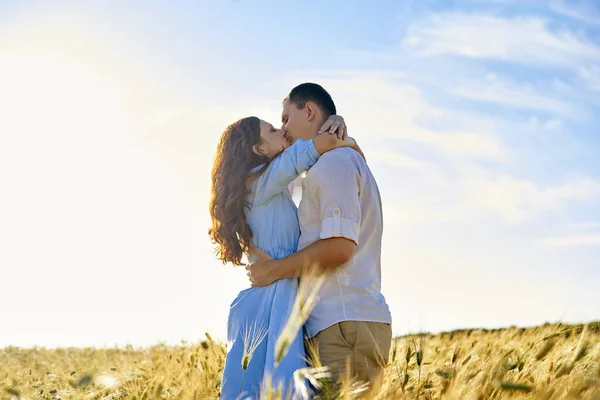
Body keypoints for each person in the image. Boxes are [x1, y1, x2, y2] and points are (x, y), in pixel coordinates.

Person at [247, 83, 392, 396]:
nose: (283, 128)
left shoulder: (334, 164)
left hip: (344, 327)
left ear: (309, 111)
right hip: (341, 326)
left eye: (285, 119)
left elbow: (339, 248)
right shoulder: (329, 162)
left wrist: (272, 270)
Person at [209, 114, 362, 399]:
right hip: (275, 299)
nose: (282, 130)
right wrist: (343, 136)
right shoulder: (262, 182)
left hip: (273, 294)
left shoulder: (264, 184)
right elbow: (319, 147)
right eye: (272, 129)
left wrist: (336, 118)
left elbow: (304, 166)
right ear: (259, 149)